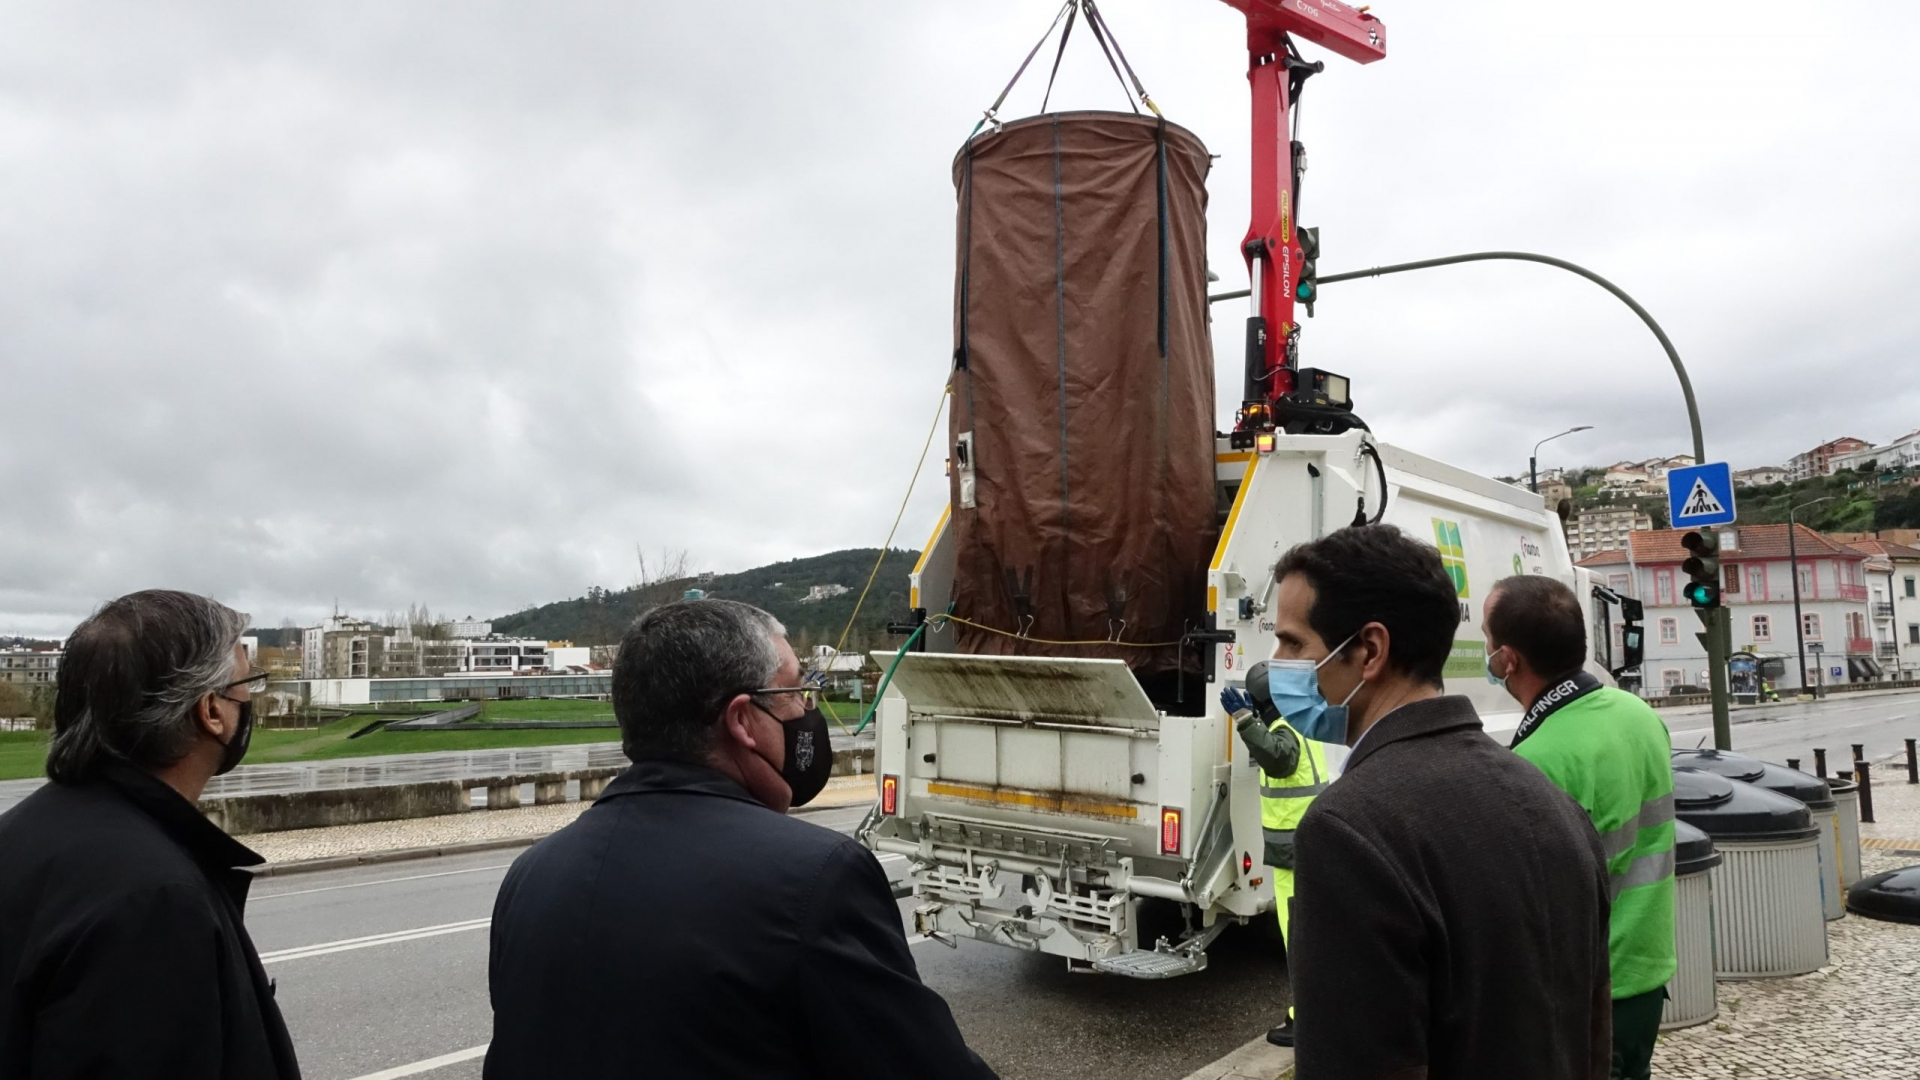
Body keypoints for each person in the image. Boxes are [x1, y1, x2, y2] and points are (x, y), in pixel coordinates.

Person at [484, 599, 996, 1079]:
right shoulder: (816, 877)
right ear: (744, 721)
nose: (805, 710)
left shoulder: (532, 874)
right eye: (793, 692)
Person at [1275, 526, 1612, 1080]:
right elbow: (1593, 1035)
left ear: (1370, 650)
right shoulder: (1555, 803)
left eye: (1293, 644)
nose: (1277, 662)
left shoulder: (1346, 828)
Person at [0, 590, 300, 1080]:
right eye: (249, 683)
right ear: (211, 711)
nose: (252, 701)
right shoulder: (156, 899)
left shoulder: (22, 831)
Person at [1485, 575, 1676, 1080]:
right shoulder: (1638, 714)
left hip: (1587, 995)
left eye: (1487, 639)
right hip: (1646, 972)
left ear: (1507, 660)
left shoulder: (1536, 760)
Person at [1221, 660, 1332, 1049]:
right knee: (1310, 937)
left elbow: (1279, 758)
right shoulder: (1303, 724)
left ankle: (1307, 1022)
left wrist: (1244, 720)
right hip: (1307, 849)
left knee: (1299, 939)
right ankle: (1314, 1014)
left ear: (1262, 701)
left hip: (1295, 854)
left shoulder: (1286, 730)